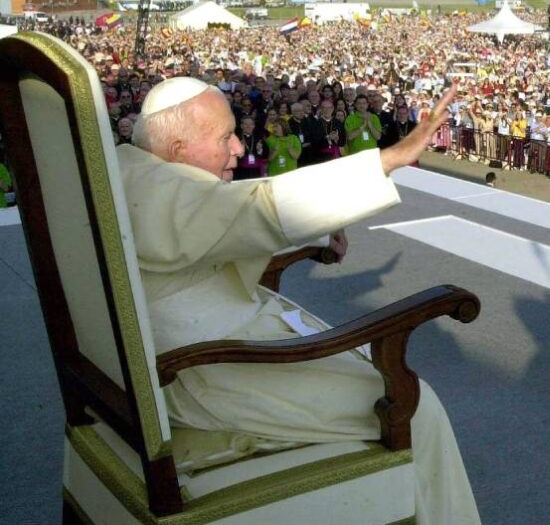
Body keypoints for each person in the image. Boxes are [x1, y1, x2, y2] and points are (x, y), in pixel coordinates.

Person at [119, 77, 479, 524]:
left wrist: (319, 231)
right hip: (204, 372)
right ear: (176, 149)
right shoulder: (162, 192)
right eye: (223, 137)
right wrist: (388, 160)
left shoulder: (134, 174)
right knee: (417, 406)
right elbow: (255, 208)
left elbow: (211, 226)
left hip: (189, 349)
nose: (237, 148)